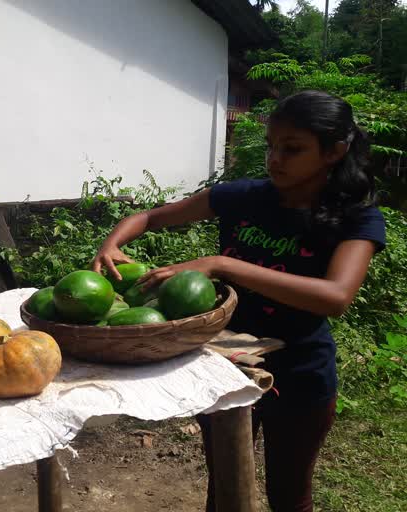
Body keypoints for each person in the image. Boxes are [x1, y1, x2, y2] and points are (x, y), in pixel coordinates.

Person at [91, 90, 386, 511]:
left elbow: (335, 297)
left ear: (335, 152)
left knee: (289, 497)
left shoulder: (356, 217)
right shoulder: (244, 196)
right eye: (271, 146)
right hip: (226, 366)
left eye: (292, 149)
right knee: (226, 490)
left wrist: (221, 264)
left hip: (301, 374)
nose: (275, 159)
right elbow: (151, 217)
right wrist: (112, 243)